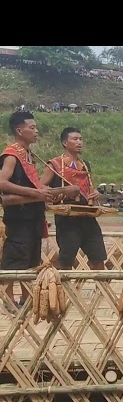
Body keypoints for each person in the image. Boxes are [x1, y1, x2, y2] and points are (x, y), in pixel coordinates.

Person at [0, 112, 58, 309]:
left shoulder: (29, 155)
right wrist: (35, 193)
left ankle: (26, 298)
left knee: (32, 258)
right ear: (19, 130)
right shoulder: (11, 155)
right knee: (16, 256)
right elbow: (2, 183)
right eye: (31, 128)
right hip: (19, 217)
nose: (36, 131)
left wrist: (41, 193)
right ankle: (7, 299)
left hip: (32, 215)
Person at [40, 127, 106, 270]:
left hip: (87, 215)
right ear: (65, 143)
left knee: (98, 256)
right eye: (75, 139)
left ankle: (102, 291)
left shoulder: (85, 165)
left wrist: (94, 194)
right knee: (67, 258)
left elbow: (89, 188)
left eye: (80, 139)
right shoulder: (55, 164)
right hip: (67, 217)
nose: (79, 142)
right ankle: (64, 291)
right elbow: (40, 187)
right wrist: (61, 191)